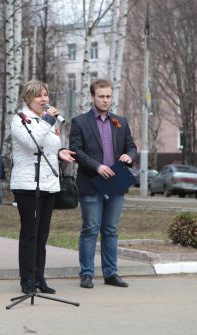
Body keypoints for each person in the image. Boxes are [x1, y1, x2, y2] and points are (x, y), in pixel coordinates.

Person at [69, 78, 137, 289]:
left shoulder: (120, 121)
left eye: (108, 96)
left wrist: (129, 156)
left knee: (111, 230)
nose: (106, 100)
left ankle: (111, 273)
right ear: (93, 97)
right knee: (90, 229)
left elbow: (132, 146)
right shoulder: (80, 122)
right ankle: (87, 274)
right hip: (91, 182)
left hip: (116, 183)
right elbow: (76, 151)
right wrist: (97, 166)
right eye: (101, 96)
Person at [10, 80, 76, 294]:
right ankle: (26, 278)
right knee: (30, 232)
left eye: (46, 95)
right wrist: (49, 119)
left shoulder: (50, 121)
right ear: (29, 98)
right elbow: (32, 145)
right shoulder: (20, 120)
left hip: (49, 182)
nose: (45, 99)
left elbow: (48, 147)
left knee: (43, 232)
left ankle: (39, 277)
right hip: (28, 183)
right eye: (39, 95)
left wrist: (60, 152)